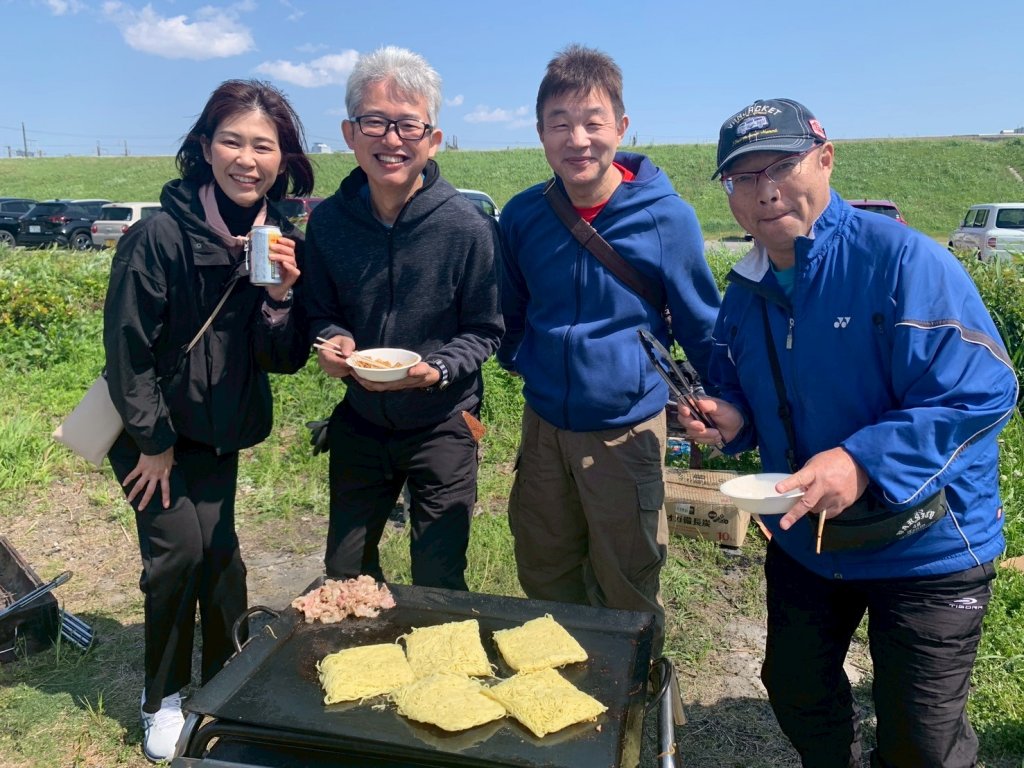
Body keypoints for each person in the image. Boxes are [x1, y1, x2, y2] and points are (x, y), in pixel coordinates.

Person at [679, 97, 1018, 768]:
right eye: (743, 177)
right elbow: (744, 392)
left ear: (826, 160)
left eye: (781, 166)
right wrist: (732, 421)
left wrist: (862, 461)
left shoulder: (901, 262)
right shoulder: (745, 288)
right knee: (796, 689)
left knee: (922, 743)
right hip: (808, 536)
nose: (765, 191)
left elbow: (983, 389)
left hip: (926, 544)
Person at [103, 79, 314, 761]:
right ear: (204, 147)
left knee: (221, 556)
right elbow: (127, 350)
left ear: (282, 158)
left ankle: (226, 683)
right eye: (232, 141)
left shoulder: (278, 239)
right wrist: (153, 442)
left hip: (219, 430)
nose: (247, 159)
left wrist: (281, 297)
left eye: (264, 146)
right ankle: (161, 700)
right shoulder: (159, 236)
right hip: (150, 432)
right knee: (178, 556)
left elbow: (281, 360)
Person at [497, 44, 720, 655]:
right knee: (544, 567)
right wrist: (528, 364)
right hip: (544, 428)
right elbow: (510, 311)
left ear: (621, 127)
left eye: (593, 122)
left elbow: (702, 323)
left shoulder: (666, 218)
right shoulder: (523, 216)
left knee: (627, 580)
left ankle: (635, 695)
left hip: (627, 431)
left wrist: (727, 405)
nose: (578, 139)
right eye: (560, 124)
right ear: (540, 132)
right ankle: (560, 687)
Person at [304, 46, 502, 592]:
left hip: (443, 420)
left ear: (432, 139)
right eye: (374, 122)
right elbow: (318, 310)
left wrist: (438, 368)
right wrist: (332, 340)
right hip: (361, 417)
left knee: (438, 576)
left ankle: (439, 645)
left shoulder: (466, 227)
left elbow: (486, 328)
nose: (391, 139)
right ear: (349, 133)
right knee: (346, 570)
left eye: (408, 125)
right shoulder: (328, 224)